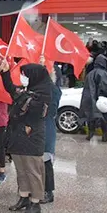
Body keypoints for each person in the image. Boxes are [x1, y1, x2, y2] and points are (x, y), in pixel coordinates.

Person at [0, 60, 51, 213]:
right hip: (18, 136)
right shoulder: (26, 91)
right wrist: (5, 72)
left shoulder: (44, 94)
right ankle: (24, 197)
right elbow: (10, 88)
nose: (22, 78)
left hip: (31, 137)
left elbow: (35, 113)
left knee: (33, 171)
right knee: (21, 170)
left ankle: (35, 203)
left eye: (25, 75)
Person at [80, 55, 107, 143]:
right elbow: (106, 87)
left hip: (90, 98)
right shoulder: (103, 73)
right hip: (102, 98)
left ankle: (90, 134)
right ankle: (104, 135)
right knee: (105, 117)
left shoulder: (90, 73)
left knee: (91, 116)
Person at [41, 66, 63, 205]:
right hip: (39, 130)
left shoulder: (52, 90)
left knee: (46, 161)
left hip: (46, 129)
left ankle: (48, 191)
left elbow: (50, 110)